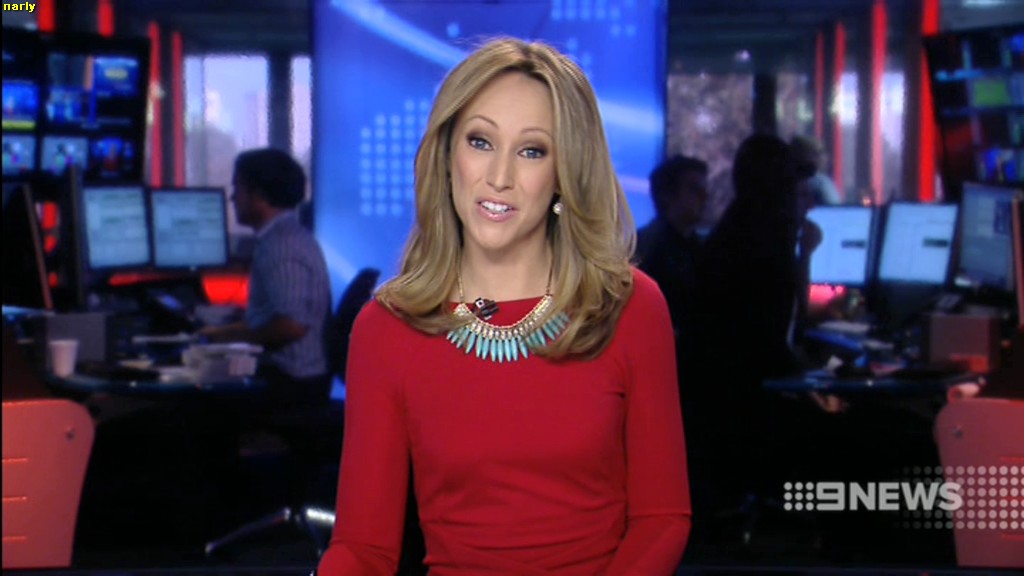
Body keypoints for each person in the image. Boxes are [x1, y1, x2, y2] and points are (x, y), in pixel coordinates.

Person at [318, 38, 690, 575]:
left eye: (532, 151)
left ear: (564, 173)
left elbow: (662, 519)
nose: (499, 177)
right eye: (480, 142)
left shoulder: (629, 307)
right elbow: (363, 549)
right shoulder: (386, 329)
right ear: (448, 156)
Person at [198, 147, 331, 406]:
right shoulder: (288, 235)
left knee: (189, 405)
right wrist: (224, 330)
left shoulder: (281, 245)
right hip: (296, 379)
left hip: (291, 385)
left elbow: (291, 326)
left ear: (258, 195)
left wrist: (226, 335)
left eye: (237, 188)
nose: (232, 197)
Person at [636, 154, 708, 342]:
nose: (704, 196)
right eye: (694, 189)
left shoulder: (703, 249)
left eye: (704, 188)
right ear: (666, 196)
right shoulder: (645, 249)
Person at [790, 134, 842, 206]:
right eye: (821, 152)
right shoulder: (821, 183)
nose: (825, 157)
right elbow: (835, 209)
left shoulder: (784, 181)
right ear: (808, 156)